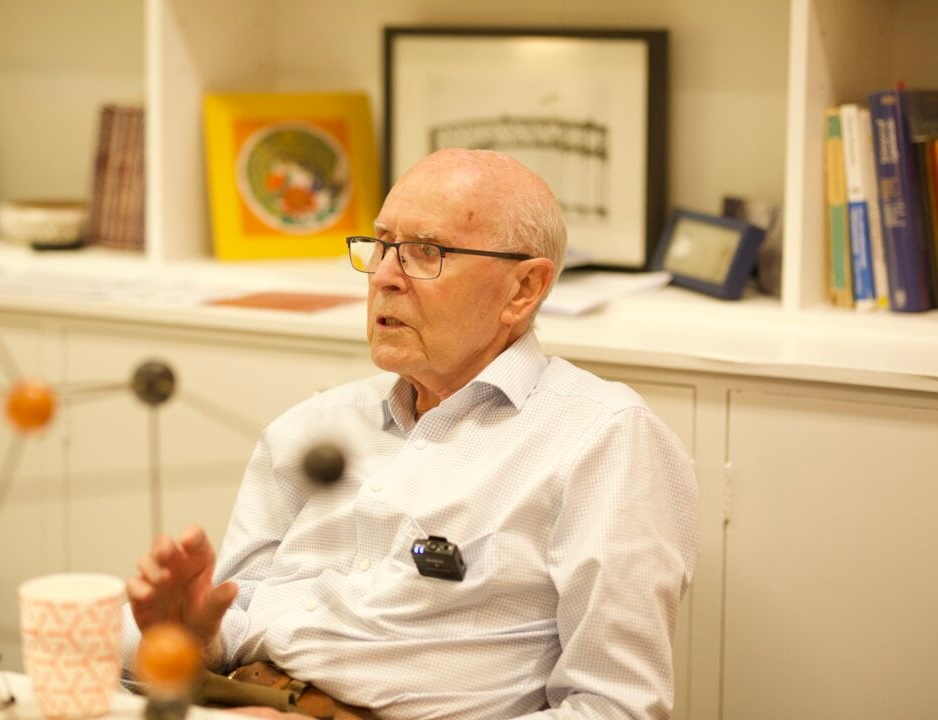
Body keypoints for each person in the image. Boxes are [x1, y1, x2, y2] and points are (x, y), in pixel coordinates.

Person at [123, 148, 699, 720]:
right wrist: (193, 630)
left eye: (427, 252)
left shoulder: (601, 438)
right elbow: (240, 619)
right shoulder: (313, 426)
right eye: (381, 245)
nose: (385, 277)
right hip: (230, 699)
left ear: (522, 290)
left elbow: (615, 707)